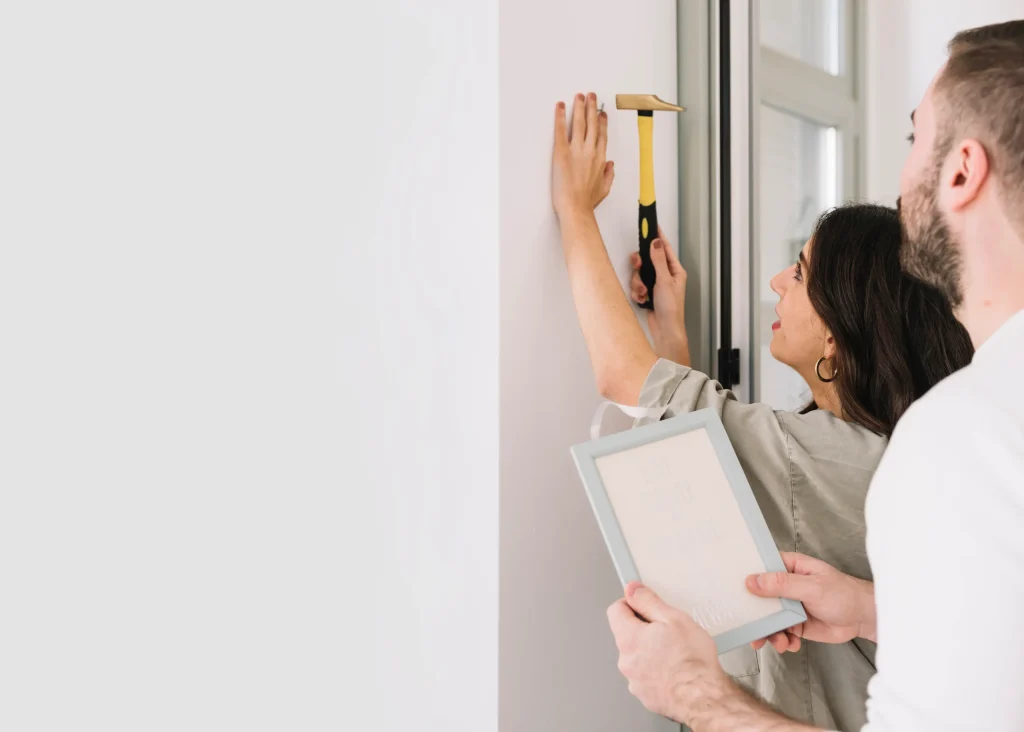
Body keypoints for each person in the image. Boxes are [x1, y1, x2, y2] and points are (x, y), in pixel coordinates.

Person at [594, 19, 1024, 732]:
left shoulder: (962, 440)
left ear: (960, 171)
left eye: (915, 138)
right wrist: (869, 608)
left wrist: (693, 693)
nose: (902, 172)